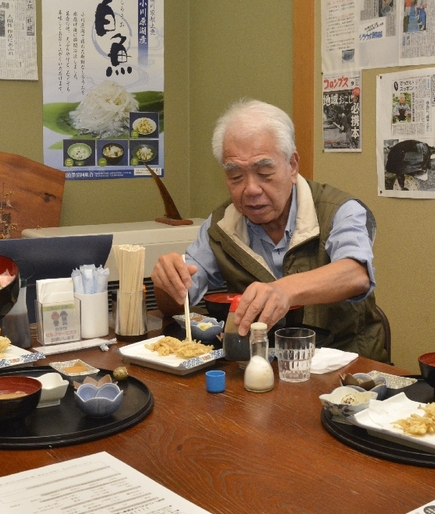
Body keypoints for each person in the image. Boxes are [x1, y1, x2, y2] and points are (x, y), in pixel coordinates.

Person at [151, 99, 387, 361]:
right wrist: (166, 282)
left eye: (264, 172)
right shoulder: (222, 226)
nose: (251, 189)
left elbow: (356, 273)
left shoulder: (339, 210)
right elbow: (178, 301)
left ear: (292, 165)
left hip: (347, 373)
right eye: (236, 176)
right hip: (259, 371)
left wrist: (284, 290)